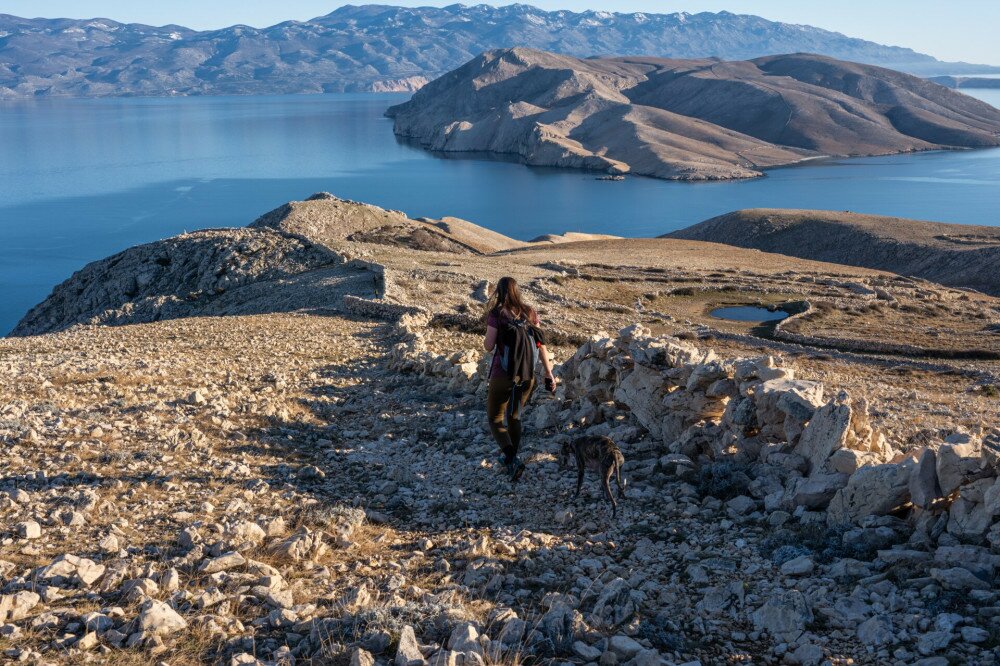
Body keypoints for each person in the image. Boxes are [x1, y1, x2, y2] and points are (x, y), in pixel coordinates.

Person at [483, 276, 556, 481]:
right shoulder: (530, 313)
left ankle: (512, 459)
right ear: (517, 291)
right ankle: (512, 461)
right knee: (514, 416)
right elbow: (541, 345)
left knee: (495, 418)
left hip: (502, 374)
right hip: (526, 375)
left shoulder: (496, 314)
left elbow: (489, 346)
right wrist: (549, 372)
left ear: (498, 291)